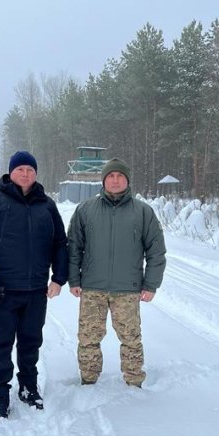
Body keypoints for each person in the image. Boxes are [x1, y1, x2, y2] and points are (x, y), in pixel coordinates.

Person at [0, 150, 68, 420]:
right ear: (10, 172)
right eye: (20, 169)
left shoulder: (46, 205)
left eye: (30, 170)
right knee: (1, 344)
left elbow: (60, 243)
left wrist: (58, 278)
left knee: (30, 343)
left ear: (36, 173)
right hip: (2, 292)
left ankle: (28, 386)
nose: (25, 174)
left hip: (36, 292)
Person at [67, 158, 166, 387]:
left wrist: (151, 285)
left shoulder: (143, 212)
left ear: (127, 180)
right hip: (92, 288)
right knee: (89, 338)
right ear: (103, 180)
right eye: (110, 176)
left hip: (127, 290)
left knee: (131, 339)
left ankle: (134, 381)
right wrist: (74, 279)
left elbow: (156, 252)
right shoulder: (85, 210)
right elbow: (73, 248)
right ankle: (88, 379)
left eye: (119, 176)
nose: (115, 180)